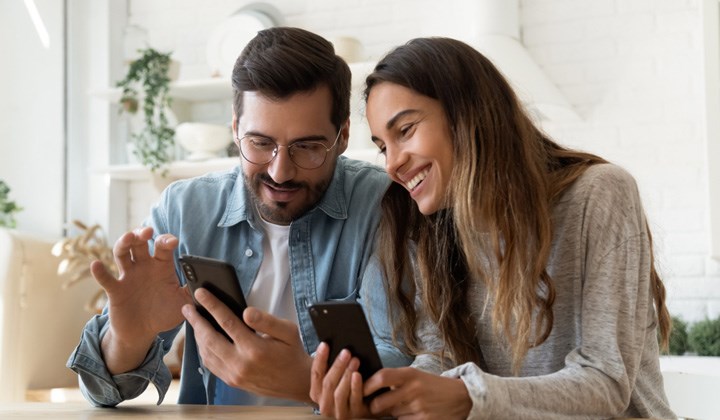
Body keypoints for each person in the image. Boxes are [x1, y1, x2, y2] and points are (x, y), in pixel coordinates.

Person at [310, 37, 676, 419]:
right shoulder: (434, 231)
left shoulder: (599, 194)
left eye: (405, 130)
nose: (392, 164)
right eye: (383, 147)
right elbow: (441, 358)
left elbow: (606, 383)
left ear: (466, 113)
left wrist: (469, 396)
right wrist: (396, 398)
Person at [67, 27, 410, 407]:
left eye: (307, 147)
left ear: (343, 135)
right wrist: (127, 339)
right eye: (260, 144)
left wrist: (304, 378)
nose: (280, 172)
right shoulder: (183, 210)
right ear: (235, 129)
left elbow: (403, 364)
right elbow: (102, 391)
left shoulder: (385, 206)